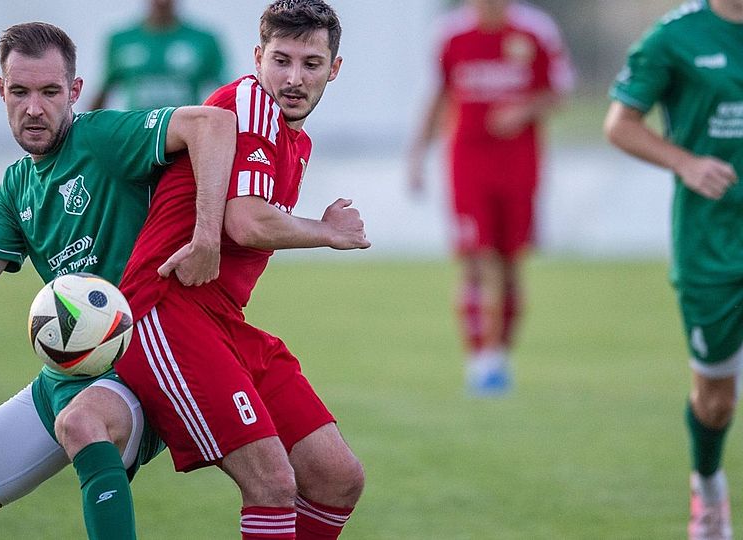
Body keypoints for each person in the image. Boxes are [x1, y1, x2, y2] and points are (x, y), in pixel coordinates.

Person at [0, 21, 235, 539]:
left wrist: (206, 238)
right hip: (62, 381)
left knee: (82, 423)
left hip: (136, 373)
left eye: (49, 92)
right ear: (1, 90)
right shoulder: (18, 185)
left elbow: (213, 125)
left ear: (76, 92)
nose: (34, 108)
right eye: (19, 92)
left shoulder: (103, 138)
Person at [113, 1, 367, 538]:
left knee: (336, 477)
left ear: (335, 69)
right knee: (273, 482)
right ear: (257, 58)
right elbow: (247, 222)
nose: (294, 78)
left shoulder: (295, 138)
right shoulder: (250, 102)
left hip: (223, 320)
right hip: (165, 312)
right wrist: (326, 231)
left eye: (311, 64)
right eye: (281, 60)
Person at [604, 1, 743, 538]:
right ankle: (708, 485)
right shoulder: (675, 37)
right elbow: (620, 123)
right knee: (715, 400)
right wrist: (686, 162)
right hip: (711, 245)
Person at [405, 0, 574, 395]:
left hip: (520, 166)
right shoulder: (450, 34)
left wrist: (524, 110)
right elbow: (436, 95)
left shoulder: (536, 30)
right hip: (467, 164)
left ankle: (500, 355)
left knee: (511, 263)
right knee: (476, 260)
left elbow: (560, 91)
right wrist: (417, 155)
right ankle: (481, 359)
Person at [88, 0, 226, 111]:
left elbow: (226, 92)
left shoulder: (203, 40)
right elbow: (105, 89)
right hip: (138, 133)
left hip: (186, 135)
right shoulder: (121, 40)